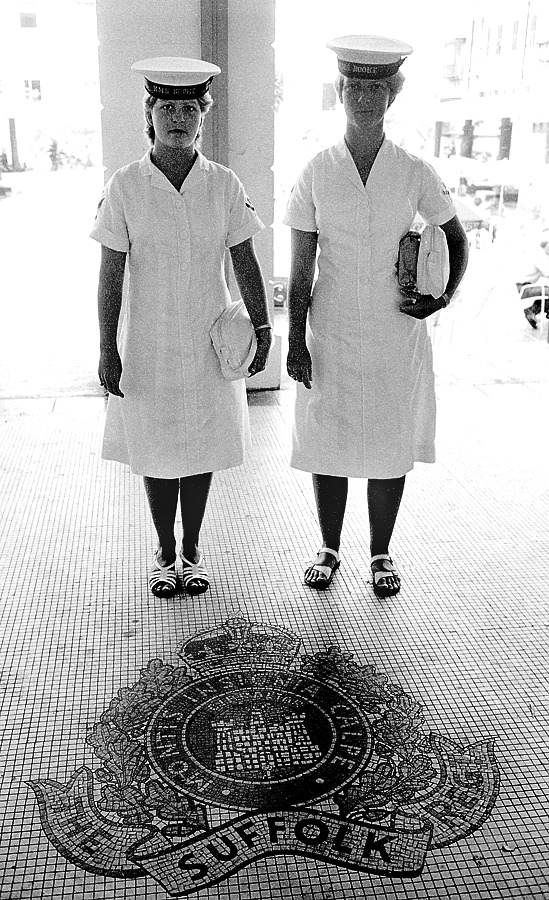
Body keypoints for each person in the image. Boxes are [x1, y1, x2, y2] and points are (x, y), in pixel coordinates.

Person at [283, 35, 468, 596]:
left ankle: (382, 553)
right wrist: (295, 340)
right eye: (355, 86)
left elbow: (456, 238)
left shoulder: (413, 170)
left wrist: (441, 298)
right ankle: (329, 546)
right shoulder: (317, 170)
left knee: (389, 440)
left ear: (392, 95)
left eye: (377, 88)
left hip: (393, 332)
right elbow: (300, 266)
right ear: (341, 93)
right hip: (332, 327)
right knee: (328, 439)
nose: (366, 97)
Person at [91, 57, 272, 597]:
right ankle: (163, 552)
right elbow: (110, 275)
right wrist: (106, 346)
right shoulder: (125, 186)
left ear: (202, 117)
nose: (177, 117)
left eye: (188, 108)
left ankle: (192, 552)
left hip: (208, 338)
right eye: (166, 106)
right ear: (150, 114)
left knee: (201, 447)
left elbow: (245, 260)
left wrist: (261, 328)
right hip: (146, 341)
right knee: (156, 448)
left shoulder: (223, 184)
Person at [515, 230, 549, 329]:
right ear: (545, 245)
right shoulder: (540, 257)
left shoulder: (539, 254)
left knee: (546, 291)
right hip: (524, 287)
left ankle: (533, 310)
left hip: (524, 286)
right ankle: (532, 310)